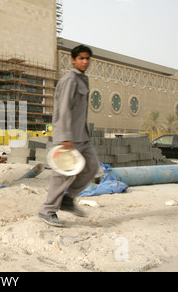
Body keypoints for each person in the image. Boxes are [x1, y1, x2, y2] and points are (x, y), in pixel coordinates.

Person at [39, 45, 100, 227]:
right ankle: (47, 210)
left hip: (82, 135)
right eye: (81, 58)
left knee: (92, 167)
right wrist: (65, 136)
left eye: (87, 58)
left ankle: (68, 199)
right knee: (62, 175)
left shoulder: (83, 79)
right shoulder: (70, 80)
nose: (85, 62)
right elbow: (63, 109)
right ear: (73, 60)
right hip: (67, 136)